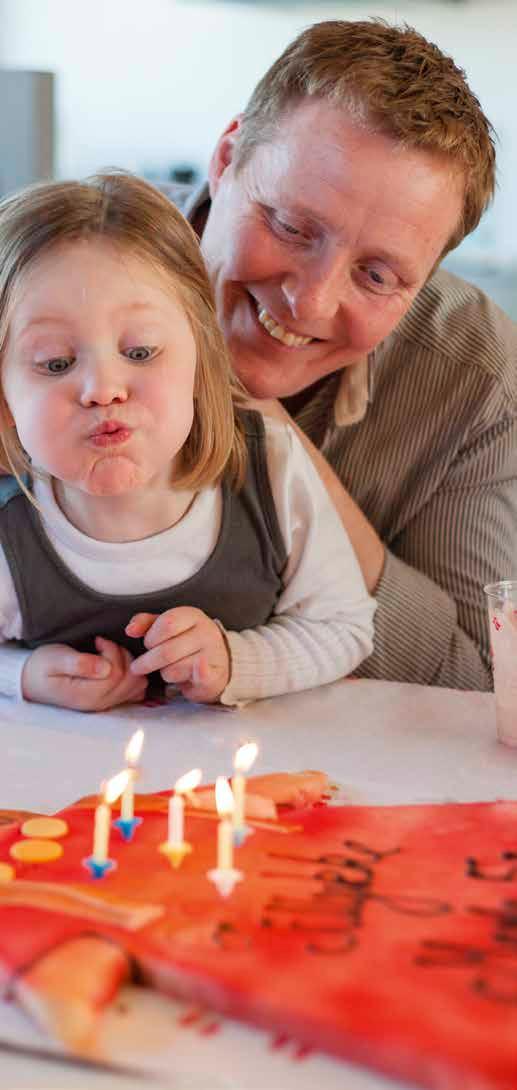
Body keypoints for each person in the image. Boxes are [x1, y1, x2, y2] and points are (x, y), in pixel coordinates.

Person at [166, 18, 517, 692]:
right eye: (292, 227)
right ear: (226, 157)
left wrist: (263, 424)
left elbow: (480, 680)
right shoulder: (47, 279)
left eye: (378, 277)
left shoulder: (479, 381)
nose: (311, 303)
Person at [0, 171, 375, 712]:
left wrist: (234, 661)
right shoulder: (10, 525)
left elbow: (345, 627)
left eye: (142, 352)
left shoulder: (269, 465)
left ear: (200, 355)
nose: (103, 390)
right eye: (56, 363)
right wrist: (24, 676)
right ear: (5, 399)